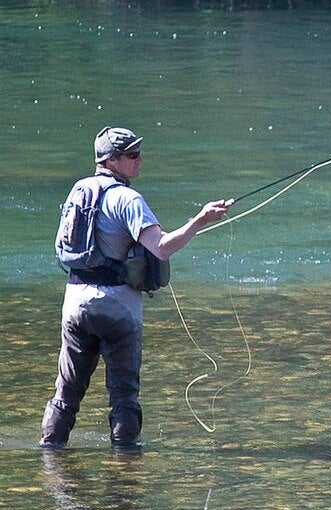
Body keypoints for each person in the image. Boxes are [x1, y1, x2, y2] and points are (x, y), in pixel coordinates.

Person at [39, 126, 233, 449]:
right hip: (117, 309)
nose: (140, 160)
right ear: (112, 160)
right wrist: (200, 219)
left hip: (75, 304)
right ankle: (125, 471)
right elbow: (161, 247)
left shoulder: (78, 191)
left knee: (67, 391)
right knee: (124, 396)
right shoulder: (127, 199)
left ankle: (49, 453)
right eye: (132, 154)